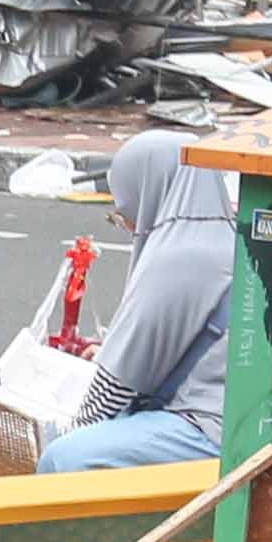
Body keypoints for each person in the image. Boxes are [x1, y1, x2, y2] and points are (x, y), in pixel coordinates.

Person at [39, 132, 237, 468]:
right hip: (222, 414)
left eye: (123, 210)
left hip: (207, 427)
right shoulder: (222, 236)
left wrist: (74, 431)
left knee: (62, 458)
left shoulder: (182, 254)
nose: (128, 223)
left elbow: (119, 383)